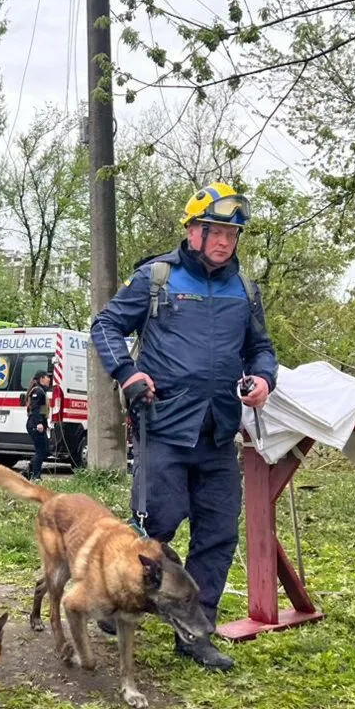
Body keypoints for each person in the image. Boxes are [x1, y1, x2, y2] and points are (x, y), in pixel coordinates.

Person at [89, 182, 278, 672]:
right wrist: (128, 375)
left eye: (232, 234)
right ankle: (113, 598)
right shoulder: (157, 278)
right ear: (192, 231)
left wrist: (262, 378)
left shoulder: (245, 291)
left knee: (217, 535)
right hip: (165, 428)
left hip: (219, 434)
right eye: (214, 231)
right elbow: (105, 327)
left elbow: (261, 349)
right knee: (157, 527)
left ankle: (196, 632)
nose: (223, 241)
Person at [25, 369, 53, 480]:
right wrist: (39, 424)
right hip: (35, 425)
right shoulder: (38, 391)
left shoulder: (41, 390)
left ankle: (30, 468)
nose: (49, 379)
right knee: (40, 451)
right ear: (41, 378)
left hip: (39, 425)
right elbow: (35, 409)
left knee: (46, 450)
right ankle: (36, 476)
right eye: (47, 377)